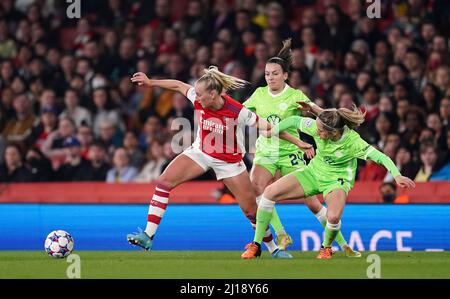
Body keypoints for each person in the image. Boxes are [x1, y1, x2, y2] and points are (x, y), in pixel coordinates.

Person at [126, 66, 311, 258]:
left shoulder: (237, 111)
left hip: (229, 162)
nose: (195, 98)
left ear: (213, 94)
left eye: (199, 94)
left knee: (250, 211)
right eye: (195, 94)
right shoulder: (199, 99)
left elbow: (270, 128)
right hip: (201, 152)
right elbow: (179, 85)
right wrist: (150, 82)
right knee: (164, 181)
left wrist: (299, 142)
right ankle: (148, 235)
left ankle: (273, 248)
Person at [241, 103, 415, 259]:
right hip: (314, 173)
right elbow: (295, 120)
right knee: (268, 194)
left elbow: (380, 156)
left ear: (333, 132)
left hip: (337, 180)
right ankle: (256, 245)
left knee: (333, 216)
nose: (316, 131)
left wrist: (396, 174)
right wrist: (273, 131)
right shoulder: (318, 126)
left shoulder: (352, 142)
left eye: (321, 130)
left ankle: (326, 248)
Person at [243, 39, 360, 256]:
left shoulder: (296, 95)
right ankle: (281, 234)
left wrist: (319, 112)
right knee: (257, 187)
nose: (270, 77)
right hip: (267, 150)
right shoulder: (259, 94)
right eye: (268, 73)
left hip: (291, 152)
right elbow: (241, 113)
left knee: (312, 202)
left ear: (285, 75)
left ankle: (342, 244)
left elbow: (324, 117)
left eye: (275, 73)